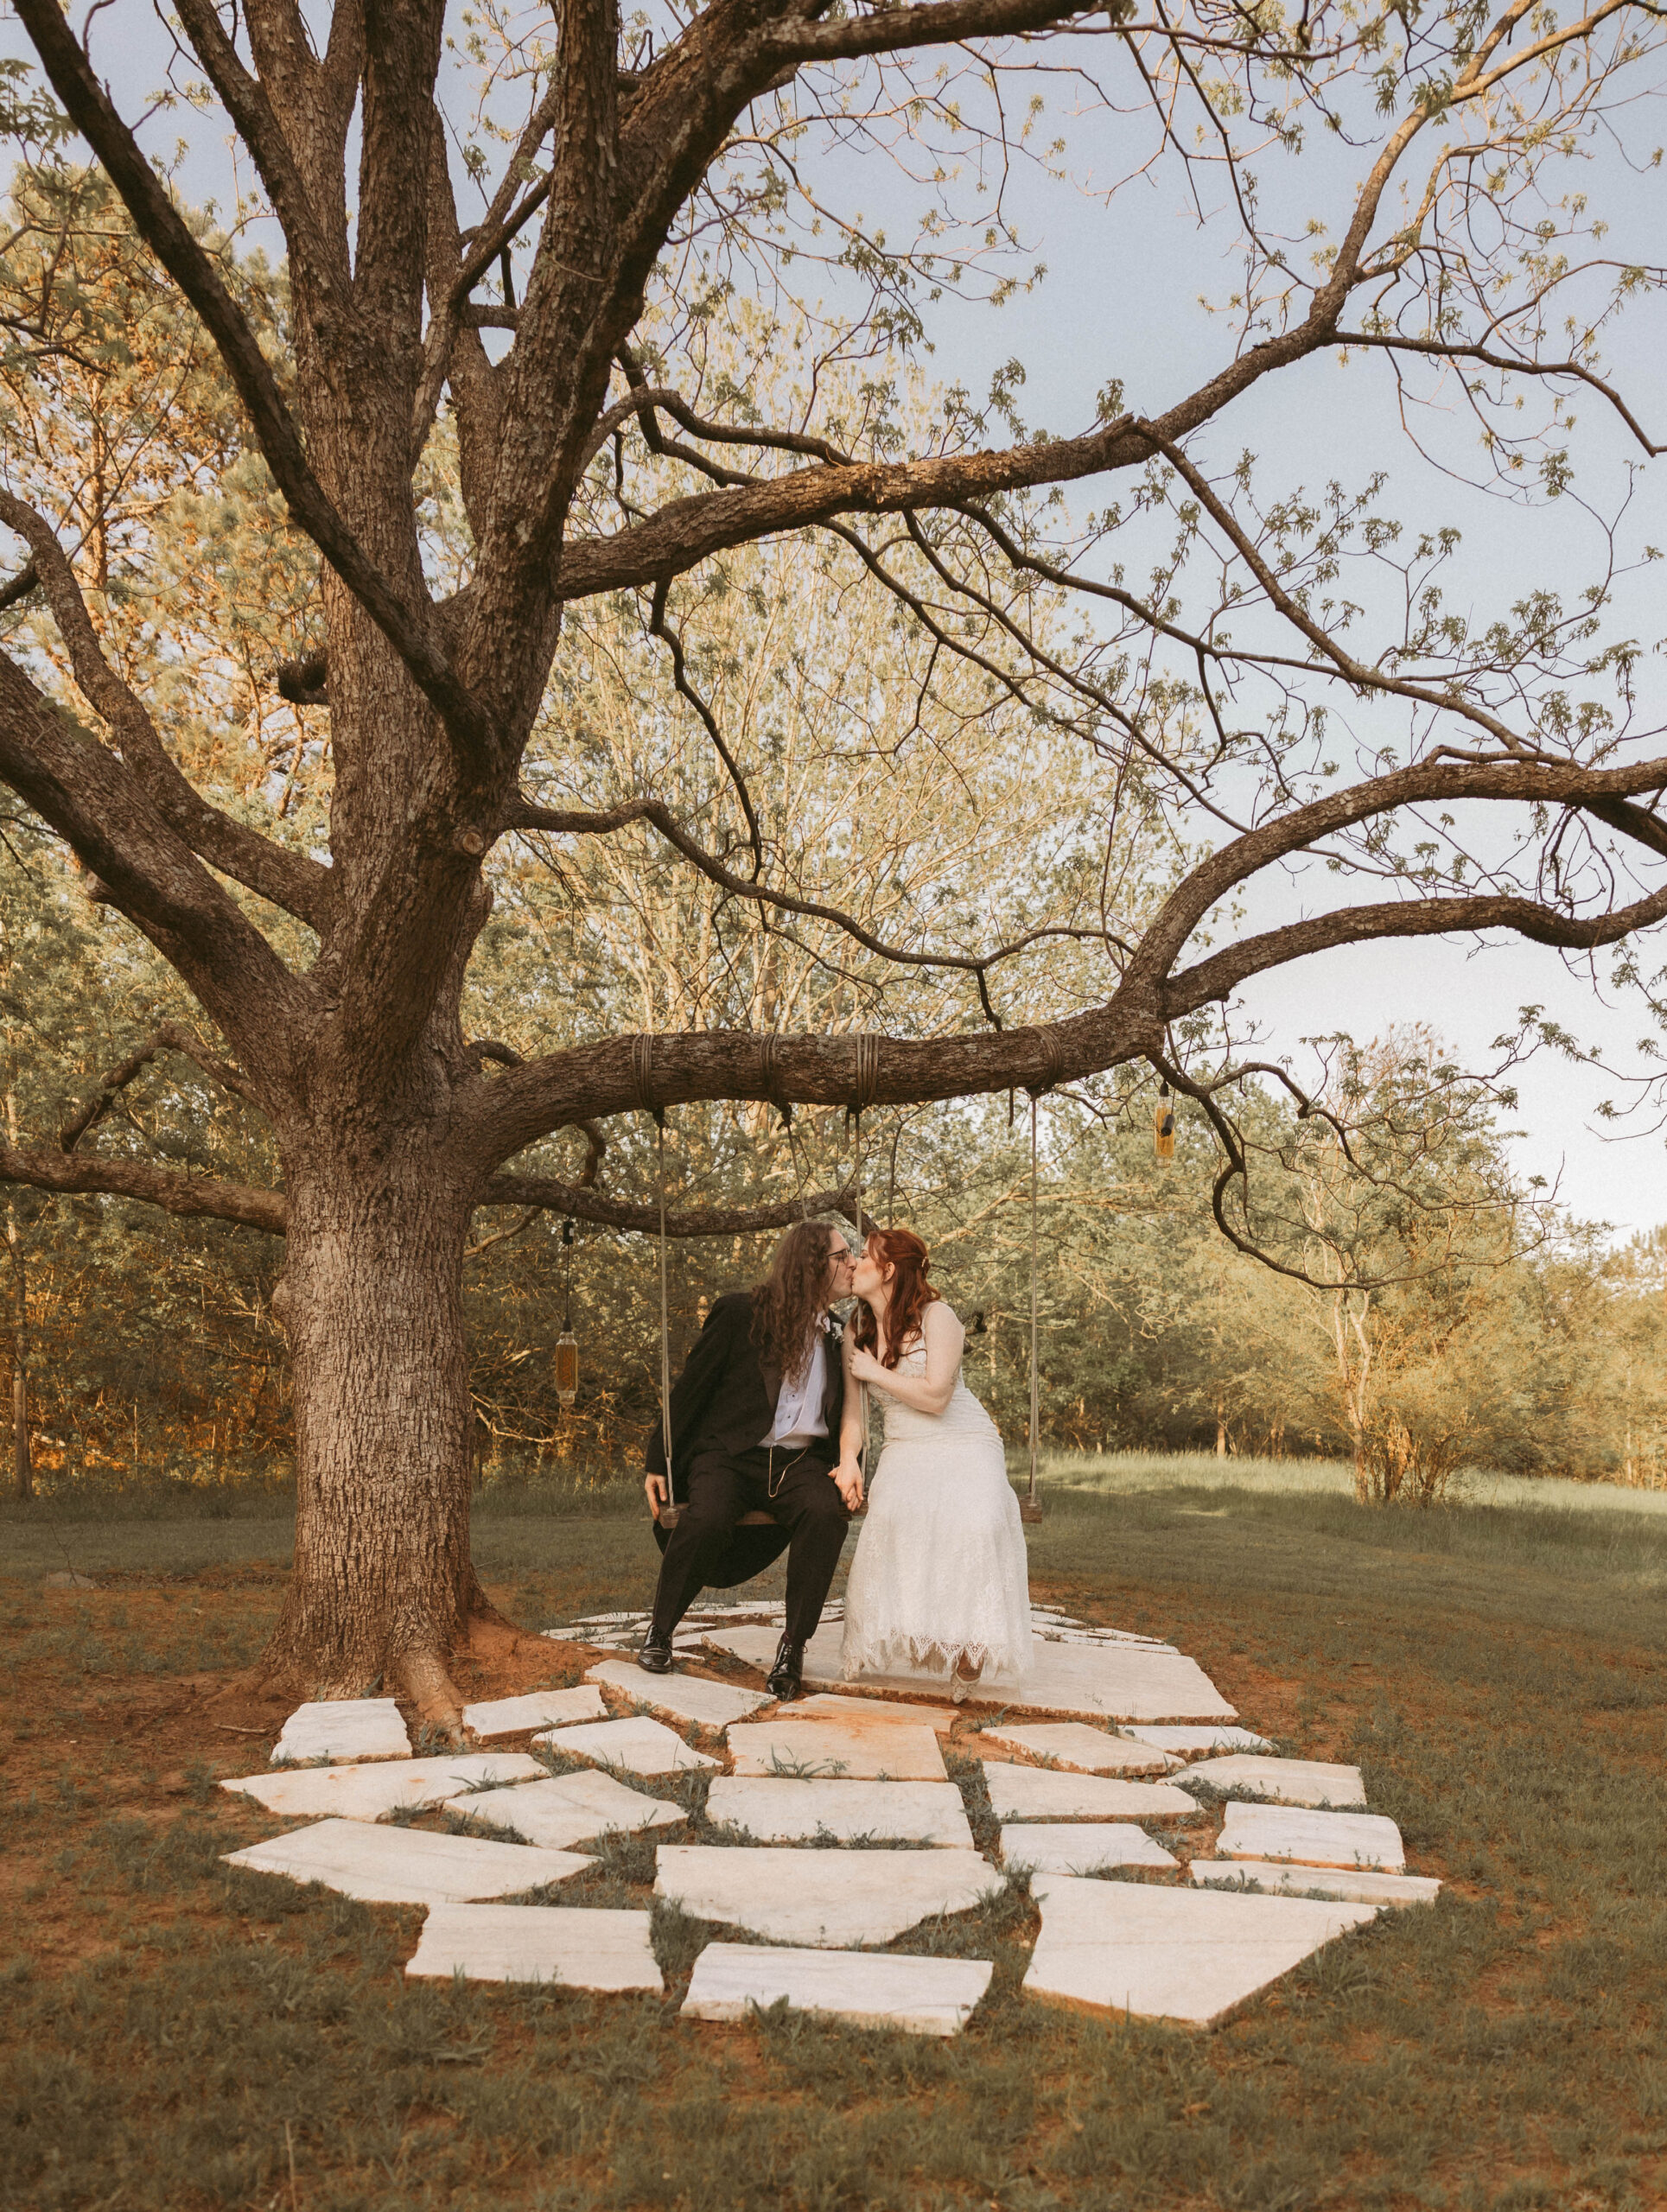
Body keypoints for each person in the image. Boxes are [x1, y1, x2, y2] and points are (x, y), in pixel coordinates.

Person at [639, 1218, 865, 1700]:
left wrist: (850, 1464)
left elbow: (850, 1411)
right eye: (842, 1255)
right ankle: (660, 1630)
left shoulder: (839, 1334)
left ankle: (792, 1647)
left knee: (825, 1513)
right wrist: (658, 1459)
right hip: (732, 1455)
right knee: (706, 1517)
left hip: (799, 1463)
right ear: (811, 1264)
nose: (853, 1263)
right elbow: (691, 1389)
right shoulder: (741, 1313)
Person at [839, 1225, 1033, 1700]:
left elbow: (937, 1397)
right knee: (892, 1516)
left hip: (965, 1439)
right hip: (905, 1444)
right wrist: (848, 1460)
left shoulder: (937, 1316)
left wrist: (874, 1371)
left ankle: (972, 1647)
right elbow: (853, 1415)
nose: (854, 1263)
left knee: (977, 1521)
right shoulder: (857, 1332)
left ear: (888, 1270)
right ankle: (884, 1633)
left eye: (864, 1255)